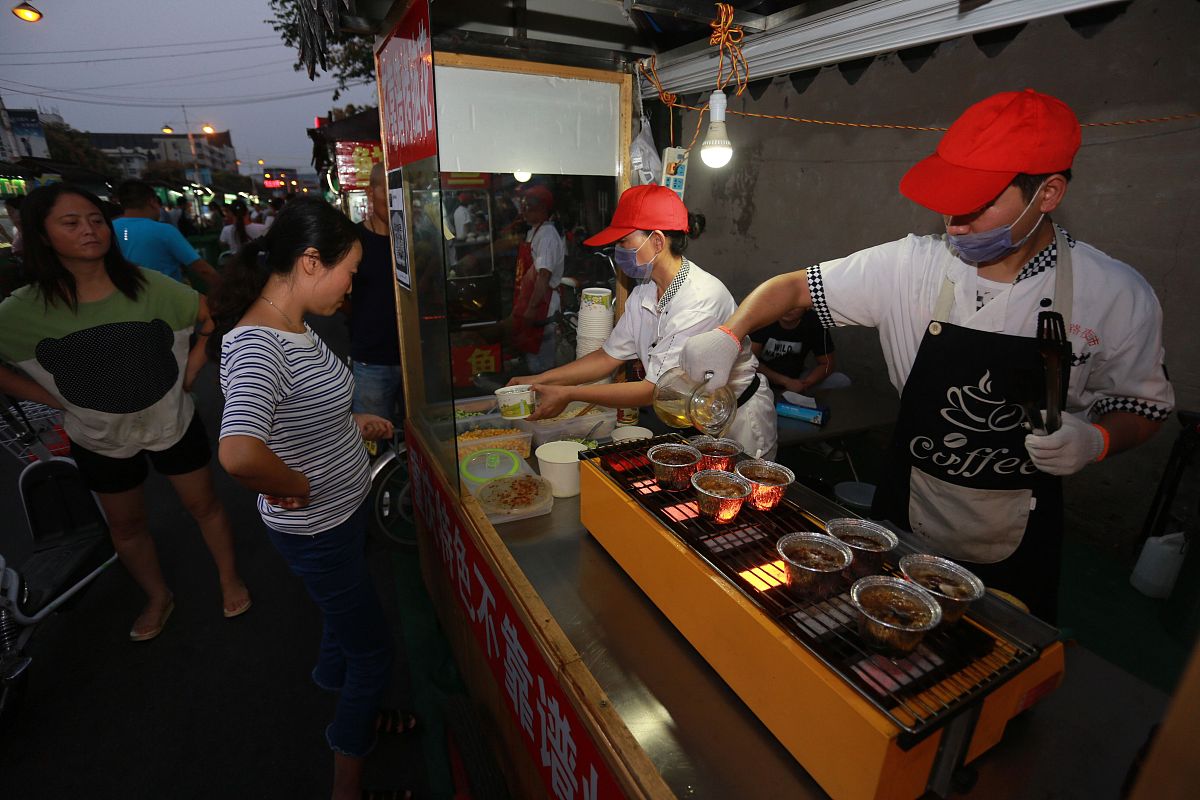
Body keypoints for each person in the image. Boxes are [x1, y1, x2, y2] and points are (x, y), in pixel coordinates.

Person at [680, 89, 1175, 621]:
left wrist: (1098, 440)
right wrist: (730, 335)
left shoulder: (1115, 294)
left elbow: (1144, 407)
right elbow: (793, 289)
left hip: (1020, 522)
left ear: (1047, 193)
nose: (954, 225)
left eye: (976, 205)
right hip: (906, 500)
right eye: (948, 203)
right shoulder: (911, 266)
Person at [208, 198, 414, 800]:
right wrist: (296, 484)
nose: (350, 288)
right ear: (309, 261)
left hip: (341, 516)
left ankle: (335, 681)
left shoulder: (294, 324)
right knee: (375, 653)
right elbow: (240, 453)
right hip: (319, 527)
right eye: (348, 272)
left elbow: (298, 417)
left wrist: (355, 425)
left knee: (341, 619)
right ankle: (348, 779)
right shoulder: (259, 346)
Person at [0, 183, 251, 640]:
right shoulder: (20, 311)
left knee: (205, 505)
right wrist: (52, 399)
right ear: (39, 235)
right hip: (96, 434)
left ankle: (228, 577)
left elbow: (211, 316)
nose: (90, 230)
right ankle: (158, 596)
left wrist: (192, 371)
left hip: (172, 422)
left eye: (96, 220)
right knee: (127, 525)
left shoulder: (149, 286)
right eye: (71, 223)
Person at [510, 184, 778, 459]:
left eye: (624, 241)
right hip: (698, 417)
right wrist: (538, 380)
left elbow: (654, 391)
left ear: (658, 241)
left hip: (739, 421)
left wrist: (569, 395)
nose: (618, 250)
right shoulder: (644, 292)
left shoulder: (699, 301)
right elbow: (607, 357)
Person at [346, 164, 403, 422]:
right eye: (388, 195)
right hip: (371, 360)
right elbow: (338, 299)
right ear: (371, 192)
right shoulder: (353, 240)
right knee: (373, 437)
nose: (393, 205)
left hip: (412, 357)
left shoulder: (411, 239)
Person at [113, 180, 222, 288]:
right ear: (152, 202)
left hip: (126, 298)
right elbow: (203, 270)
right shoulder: (164, 230)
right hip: (167, 299)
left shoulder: (109, 229)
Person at [510, 184, 565, 374]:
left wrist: (531, 309)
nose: (524, 211)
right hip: (532, 301)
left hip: (543, 306)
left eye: (528, 207)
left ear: (542, 209)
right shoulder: (534, 231)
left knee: (542, 368)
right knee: (531, 359)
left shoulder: (547, 234)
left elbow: (543, 275)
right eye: (523, 206)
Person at [750, 308, 841, 394]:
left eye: (795, 304)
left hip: (798, 377)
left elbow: (827, 363)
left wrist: (805, 384)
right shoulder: (764, 318)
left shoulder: (814, 322)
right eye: (785, 302)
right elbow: (751, 362)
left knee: (840, 380)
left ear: (807, 306)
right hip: (760, 378)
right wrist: (785, 381)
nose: (788, 309)